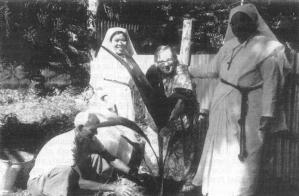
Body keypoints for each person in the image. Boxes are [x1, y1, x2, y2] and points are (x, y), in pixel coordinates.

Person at [185, 3, 290, 196]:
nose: (238, 27)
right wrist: (188, 70)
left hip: (250, 108)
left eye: (243, 22)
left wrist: (268, 114)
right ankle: (217, 190)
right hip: (222, 105)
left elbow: (271, 84)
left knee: (246, 152)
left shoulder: (266, 48)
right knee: (220, 147)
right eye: (233, 23)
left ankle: (241, 192)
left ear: (253, 22)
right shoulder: (228, 46)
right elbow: (211, 70)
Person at [27, 111, 140, 196]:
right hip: (40, 184)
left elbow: (111, 159)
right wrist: (114, 188)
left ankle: (92, 190)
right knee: (67, 172)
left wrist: (133, 173)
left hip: (68, 178)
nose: (96, 132)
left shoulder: (90, 139)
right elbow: (77, 181)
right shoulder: (66, 146)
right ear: (80, 128)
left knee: (97, 158)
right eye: (93, 129)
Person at [89, 27, 145, 168]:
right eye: (116, 40)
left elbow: (135, 81)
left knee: (126, 129)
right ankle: (105, 165)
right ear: (110, 42)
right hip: (108, 99)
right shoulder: (101, 59)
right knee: (109, 130)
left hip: (125, 98)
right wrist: (106, 98)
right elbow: (96, 81)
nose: (120, 43)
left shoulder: (128, 60)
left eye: (123, 40)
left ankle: (124, 163)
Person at [145, 45, 199, 189]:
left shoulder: (181, 71)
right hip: (160, 120)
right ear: (156, 62)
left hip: (178, 119)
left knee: (179, 149)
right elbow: (149, 99)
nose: (167, 64)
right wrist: (158, 123)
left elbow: (181, 101)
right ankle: (157, 179)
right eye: (162, 61)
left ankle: (179, 182)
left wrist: (168, 123)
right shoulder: (153, 73)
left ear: (175, 59)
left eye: (170, 59)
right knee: (156, 151)